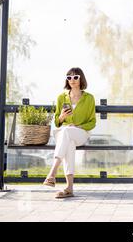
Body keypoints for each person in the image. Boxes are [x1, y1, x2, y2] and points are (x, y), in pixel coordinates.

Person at [43, 67, 96, 198]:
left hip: (82, 133)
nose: (72, 80)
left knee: (67, 132)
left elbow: (92, 122)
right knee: (69, 143)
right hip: (64, 133)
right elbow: (56, 122)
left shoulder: (89, 98)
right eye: (69, 77)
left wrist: (77, 125)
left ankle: (52, 173)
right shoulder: (61, 97)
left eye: (75, 77)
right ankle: (69, 188)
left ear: (81, 78)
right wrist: (61, 117)